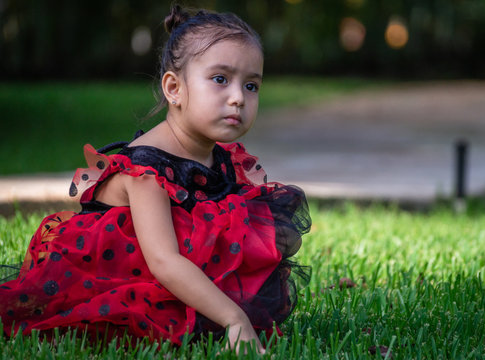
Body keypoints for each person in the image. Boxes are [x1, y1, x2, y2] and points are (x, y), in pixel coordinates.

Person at [0, 6, 310, 354]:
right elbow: (164, 260)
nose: (238, 97)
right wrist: (234, 318)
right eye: (221, 79)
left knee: (268, 228)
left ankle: (206, 306)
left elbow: (225, 233)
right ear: (174, 89)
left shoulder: (221, 159)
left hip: (172, 266)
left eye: (251, 85)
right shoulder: (146, 168)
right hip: (119, 277)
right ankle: (212, 312)